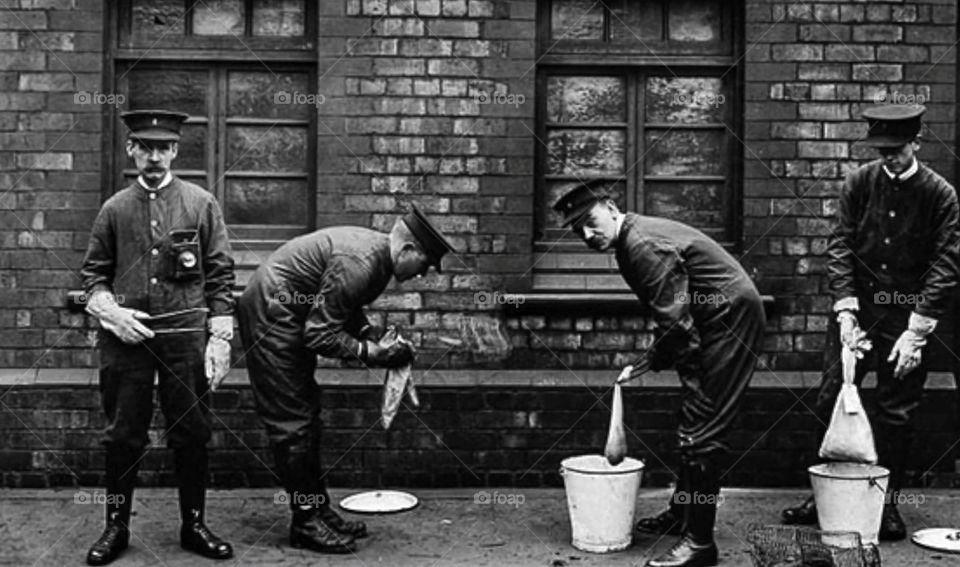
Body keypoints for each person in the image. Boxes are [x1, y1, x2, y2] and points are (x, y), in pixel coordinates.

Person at [553, 182, 766, 567]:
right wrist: (655, 357)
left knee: (702, 429)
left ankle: (700, 544)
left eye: (590, 221)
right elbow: (674, 318)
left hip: (729, 320)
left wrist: (681, 365)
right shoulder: (631, 240)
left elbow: (677, 324)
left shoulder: (640, 246)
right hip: (714, 319)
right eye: (577, 230)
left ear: (611, 207)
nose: (587, 235)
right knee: (693, 419)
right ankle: (683, 513)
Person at [781, 104, 959, 540]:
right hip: (857, 316)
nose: (889, 158)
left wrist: (916, 333)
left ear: (916, 142)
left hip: (907, 320)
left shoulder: (940, 194)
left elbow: (946, 264)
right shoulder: (859, 183)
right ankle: (824, 495)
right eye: (882, 150)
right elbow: (840, 244)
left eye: (896, 150)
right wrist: (845, 310)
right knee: (832, 400)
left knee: (896, 413)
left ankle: (886, 503)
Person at [237, 204, 455, 554]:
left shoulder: (374, 258)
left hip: (287, 312)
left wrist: (370, 334)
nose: (423, 274)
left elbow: (343, 307)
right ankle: (305, 522)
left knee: (307, 416)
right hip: (272, 315)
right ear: (408, 249)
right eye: (425, 264)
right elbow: (319, 335)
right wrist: (374, 353)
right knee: (292, 423)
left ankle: (318, 509)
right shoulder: (362, 263)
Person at [80, 110, 236, 564]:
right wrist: (112, 313)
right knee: (123, 434)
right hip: (126, 339)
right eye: (144, 147)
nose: (153, 156)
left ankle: (194, 525)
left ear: (175, 151)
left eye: (162, 147)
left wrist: (220, 336)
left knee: (191, 432)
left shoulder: (201, 203)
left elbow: (221, 276)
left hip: (185, 336)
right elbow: (93, 279)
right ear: (131, 150)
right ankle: (116, 529)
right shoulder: (114, 209)